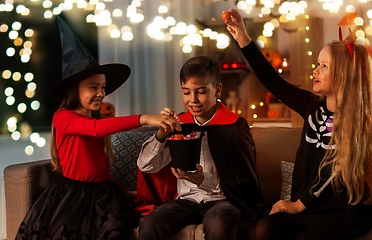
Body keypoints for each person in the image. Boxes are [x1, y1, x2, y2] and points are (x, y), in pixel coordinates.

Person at [15, 16, 180, 240]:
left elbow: (98, 169)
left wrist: (123, 193)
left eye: (102, 87)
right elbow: (95, 129)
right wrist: (144, 118)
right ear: (74, 89)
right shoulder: (63, 117)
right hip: (74, 196)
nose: (101, 93)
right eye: (93, 87)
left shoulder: (97, 118)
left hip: (104, 193)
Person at [225, 8, 372, 240]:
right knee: (265, 229)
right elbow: (273, 81)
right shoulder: (310, 105)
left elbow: (333, 172)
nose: (315, 70)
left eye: (324, 66)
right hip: (307, 204)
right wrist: (243, 38)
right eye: (317, 63)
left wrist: (298, 204)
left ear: (343, 75)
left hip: (341, 210)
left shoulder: (357, 121)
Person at [136, 55, 264, 240]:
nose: (193, 99)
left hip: (222, 201)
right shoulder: (179, 125)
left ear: (217, 90)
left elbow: (243, 181)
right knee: (150, 224)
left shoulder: (234, 127)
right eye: (186, 92)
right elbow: (147, 166)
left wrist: (203, 179)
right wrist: (161, 135)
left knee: (218, 225)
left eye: (201, 91)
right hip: (186, 201)